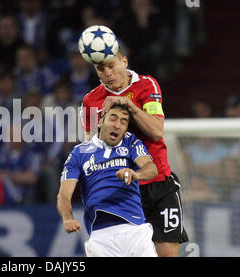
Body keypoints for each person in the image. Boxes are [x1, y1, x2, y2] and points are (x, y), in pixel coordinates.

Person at [80, 39, 188, 257]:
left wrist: (129, 106)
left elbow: (157, 131)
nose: (108, 73)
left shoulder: (147, 85)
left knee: (167, 253)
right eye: (101, 69)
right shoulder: (91, 101)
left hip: (159, 185)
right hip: (123, 192)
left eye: (112, 65)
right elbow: (91, 150)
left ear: (124, 61)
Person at [57, 103, 158, 257]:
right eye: (113, 118)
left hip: (135, 229)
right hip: (101, 235)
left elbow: (152, 169)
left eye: (124, 122)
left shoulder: (131, 142)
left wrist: (135, 174)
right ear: (100, 122)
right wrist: (67, 218)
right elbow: (63, 195)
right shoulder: (79, 152)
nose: (118, 125)